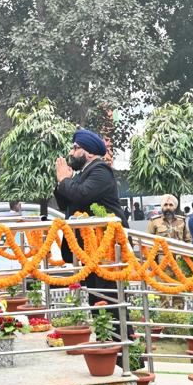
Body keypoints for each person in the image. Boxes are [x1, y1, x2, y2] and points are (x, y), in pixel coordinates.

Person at [54, 129, 125, 333]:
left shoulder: (100, 170)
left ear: (90, 152)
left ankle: (128, 355)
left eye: (76, 148)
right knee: (97, 300)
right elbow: (65, 201)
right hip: (92, 248)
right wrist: (63, 180)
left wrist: (66, 181)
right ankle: (108, 348)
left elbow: (82, 195)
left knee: (110, 300)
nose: (71, 152)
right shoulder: (84, 172)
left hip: (107, 250)